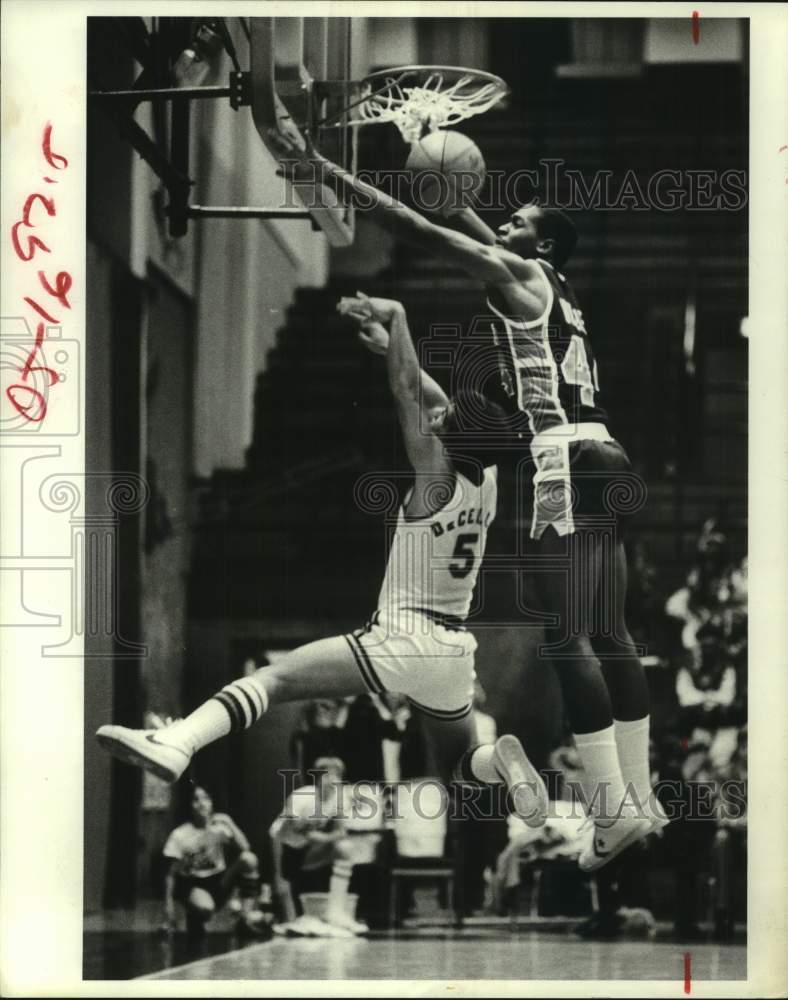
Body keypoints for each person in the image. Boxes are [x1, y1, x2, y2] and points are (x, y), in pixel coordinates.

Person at [267, 131, 662, 871]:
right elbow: (467, 221)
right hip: (607, 450)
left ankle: (612, 814)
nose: (502, 223)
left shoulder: (520, 270)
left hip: (560, 455)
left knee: (567, 637)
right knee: (611, 630)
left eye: (517, 221)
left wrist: (331, 175)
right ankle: (639, 797)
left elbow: (425, 229)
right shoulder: (557, 288)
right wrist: (456, 195)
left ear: (540, 244)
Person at [96, 296, 549, 898]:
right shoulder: (484, 480)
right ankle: (500, 761)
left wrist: (399, 322)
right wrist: (393, 351)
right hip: (453, 650)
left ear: (451, 436)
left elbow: (412, 398)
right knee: (463, 771)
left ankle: (177, 742)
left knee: (276, 681)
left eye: (448, 420)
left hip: (403, 634)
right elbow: (434, 402)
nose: (439, 418)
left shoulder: (435, 473)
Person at [269, 756, 369, 935]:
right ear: (318, 778)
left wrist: (323, 839)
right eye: (327, 775)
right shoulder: (301, 797)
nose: (332, 780)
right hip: (282, 848)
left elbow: (340, 832)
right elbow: (286, 834)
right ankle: (287, 916)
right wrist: (278, 875)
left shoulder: (340, 799)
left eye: (337, 775)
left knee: (345, 848)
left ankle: (336, 911)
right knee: (290, 922)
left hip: (308, 850)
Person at [161, 785, 265, 938]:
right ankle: (195, 913)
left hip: (219, 880)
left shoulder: (219, 829)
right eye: (196, 800)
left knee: (249, 860)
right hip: (194, 883)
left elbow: (245, 847)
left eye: (206, 798)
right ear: (189, 806)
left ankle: (245, 919)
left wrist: (229, 822)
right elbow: (170, 874)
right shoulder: (180, 834)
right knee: (205, 909)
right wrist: (168, 906)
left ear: (212, 803)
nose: (202, 803)